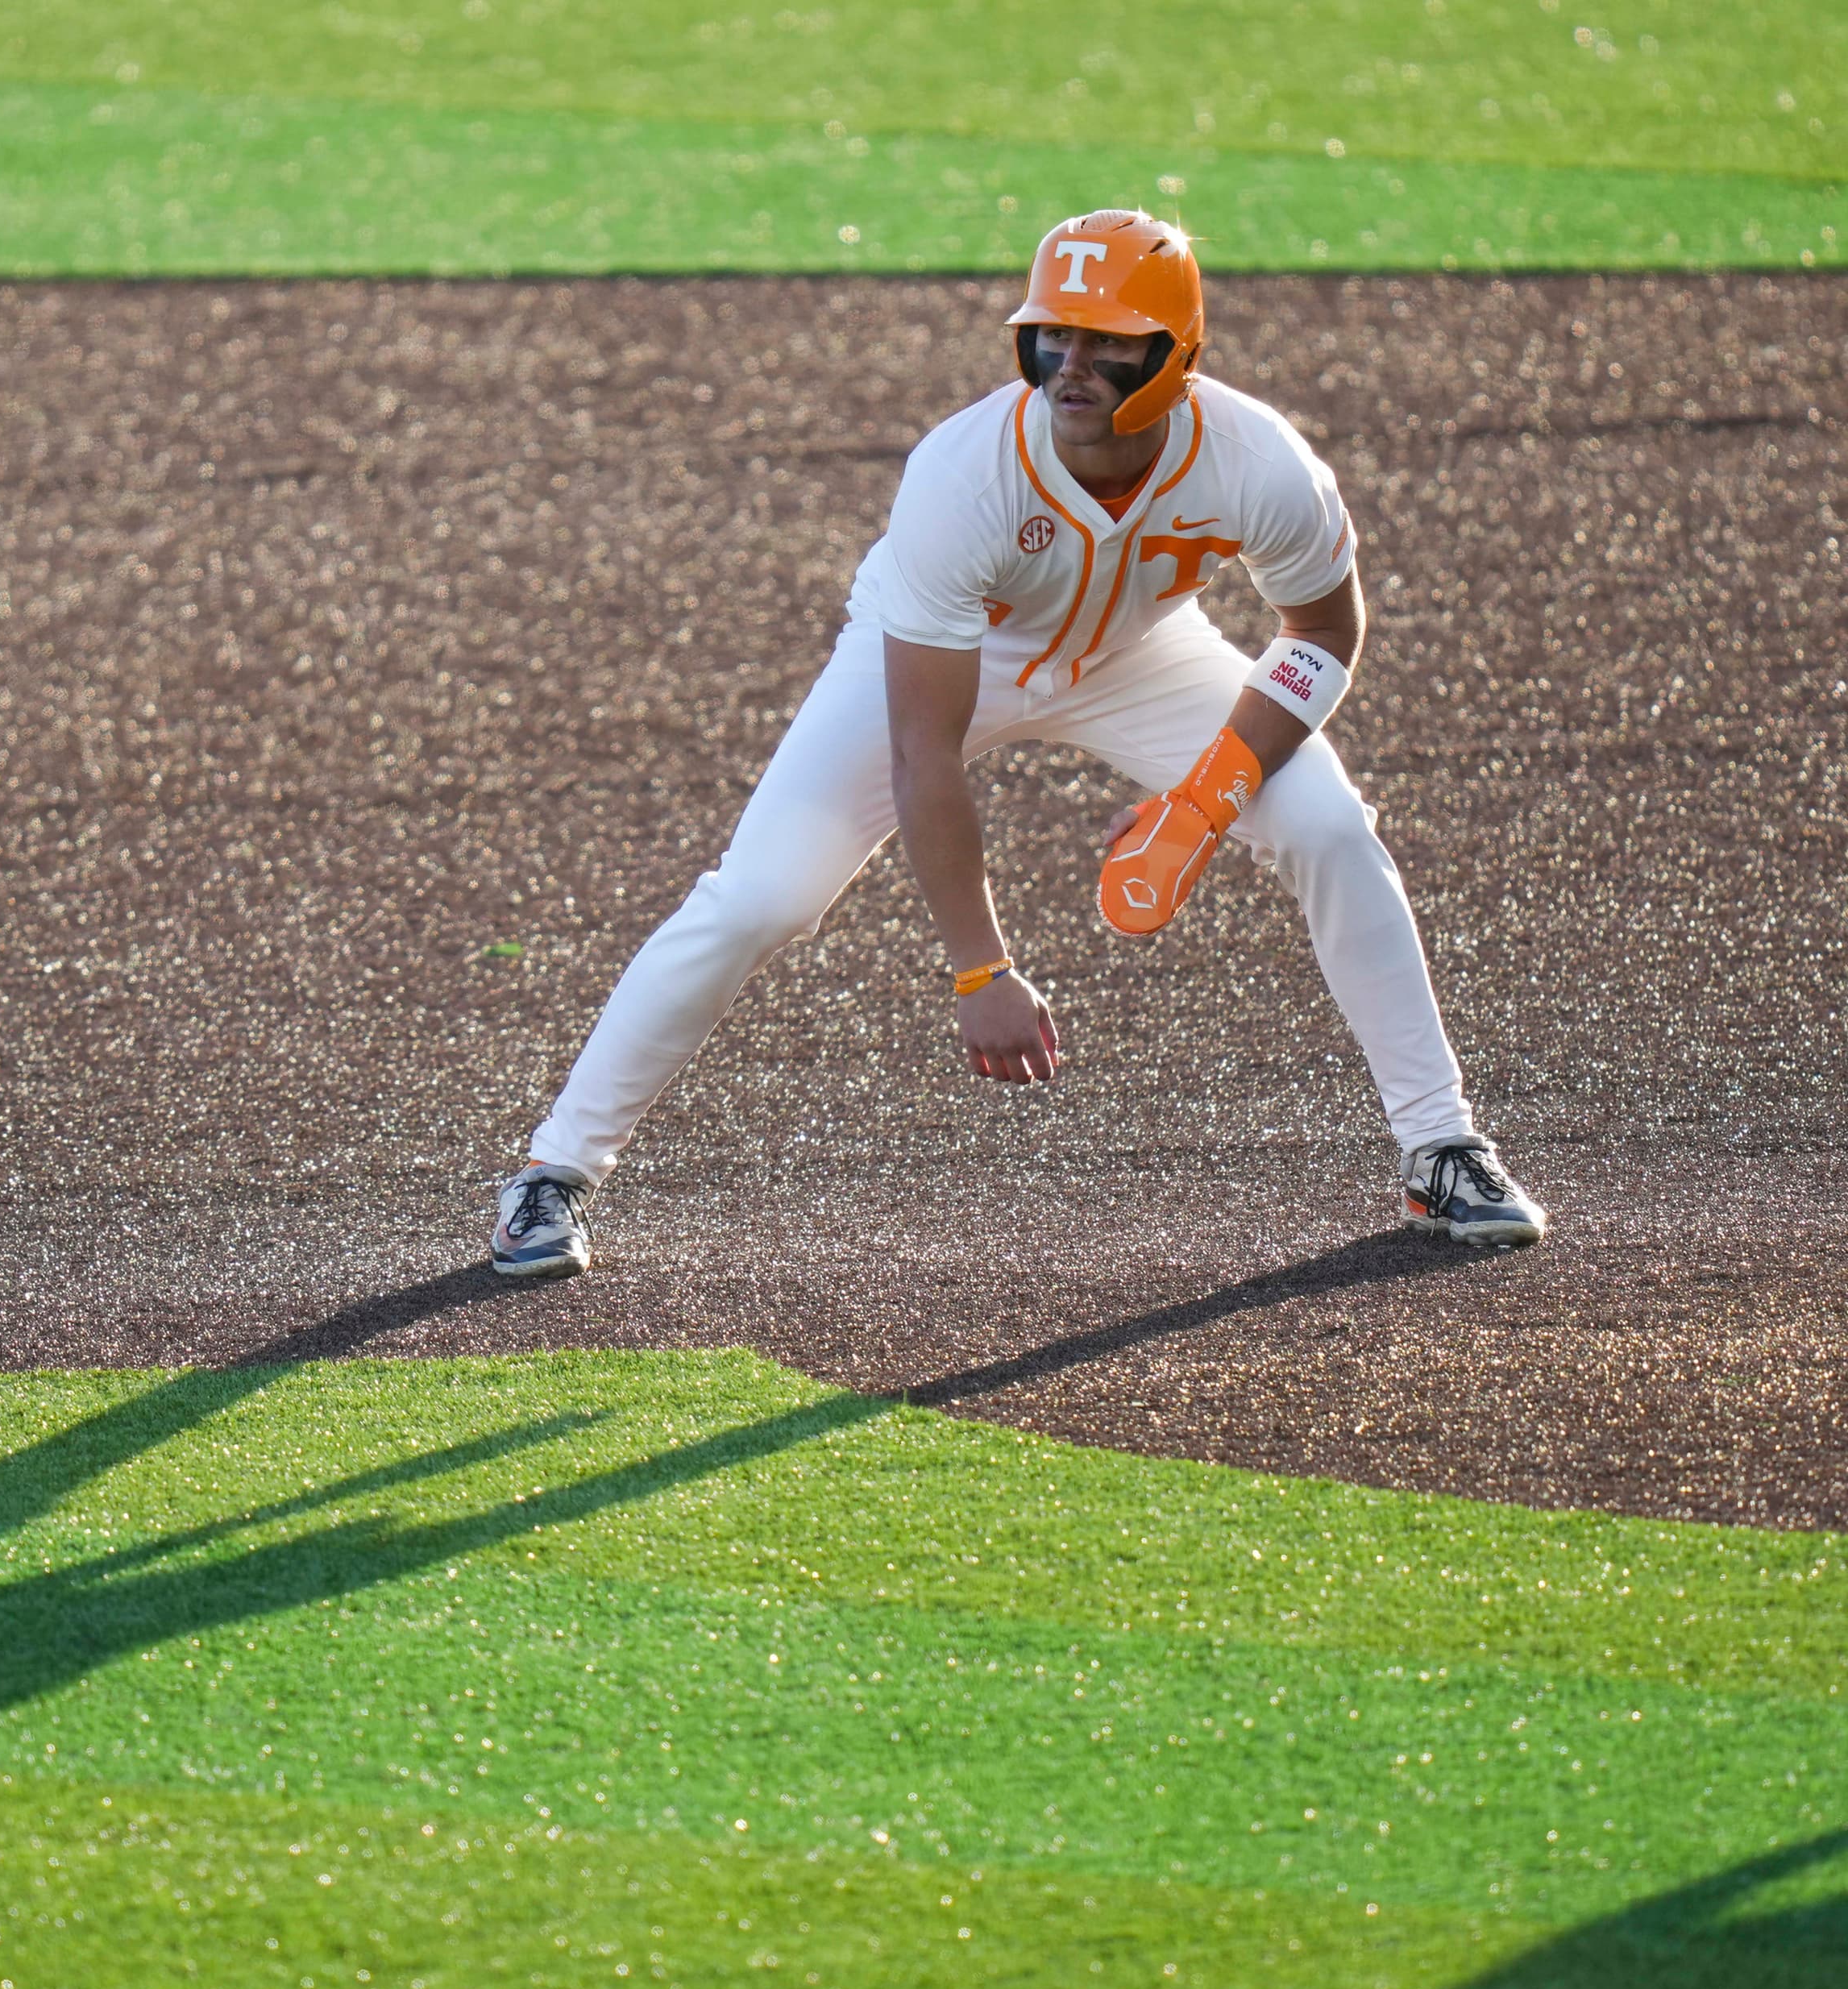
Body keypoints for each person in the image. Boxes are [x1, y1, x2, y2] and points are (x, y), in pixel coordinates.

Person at [491, 208, 1547, 1278]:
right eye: (1053, 335)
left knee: (1327, 824)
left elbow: (1323, 630)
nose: (1070, 366)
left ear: (1177, 356)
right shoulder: (965, 476)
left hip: (1145, 654)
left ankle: (1440, 1144)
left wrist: (1209, 796)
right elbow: (925, 752)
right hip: (945, 662)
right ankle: (555, 1172)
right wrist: (978, 970)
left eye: (1108, 342)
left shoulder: (1257, 463)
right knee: (761, 899)